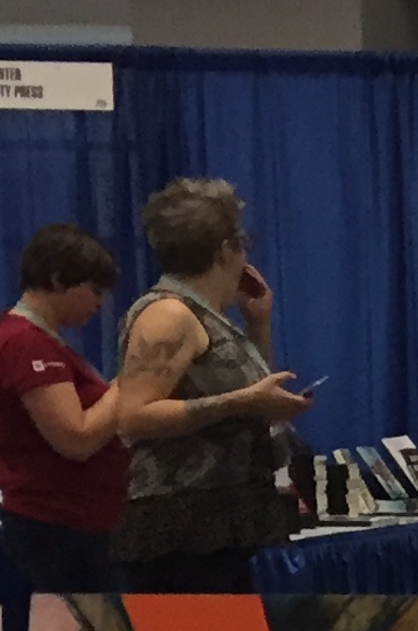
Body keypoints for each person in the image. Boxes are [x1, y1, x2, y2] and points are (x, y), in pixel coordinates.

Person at [110, 179, 314, 594]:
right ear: (225, 249)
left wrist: (258, 322)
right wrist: (243, 401)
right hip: (182, 530)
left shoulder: (211, 317)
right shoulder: (169, 315)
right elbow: (132, 418)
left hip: (225, 521)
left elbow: (254, 395)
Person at [0, 223, 125, 591]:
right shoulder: (25, 343)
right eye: (94, 290)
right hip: (57, 531)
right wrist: (130, 383)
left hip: (80, 524)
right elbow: (75, 438)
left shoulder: (43, 343)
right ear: (59, 280)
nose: (100, 303)